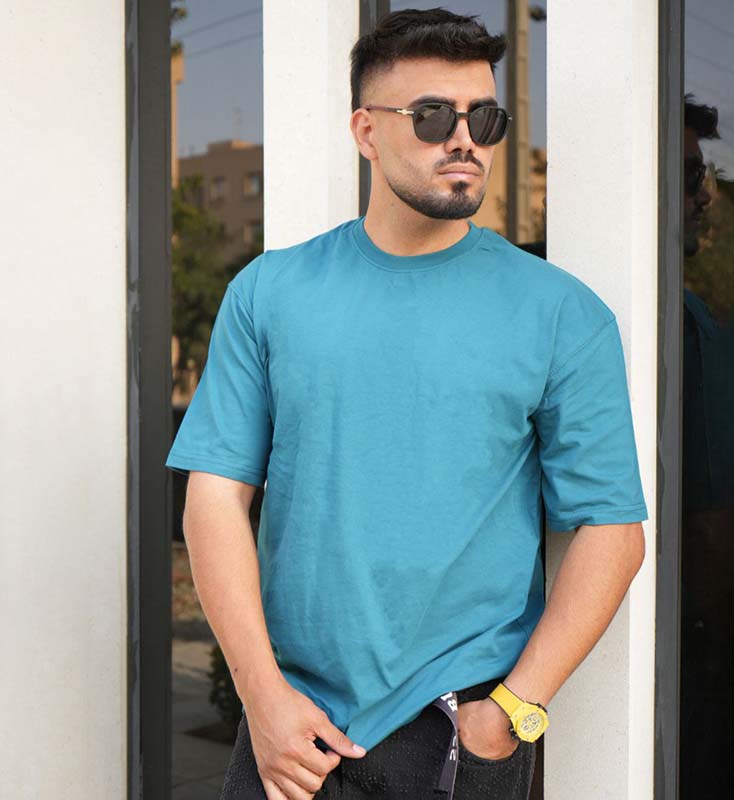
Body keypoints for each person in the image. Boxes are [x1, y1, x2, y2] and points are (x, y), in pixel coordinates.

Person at [166, 9, 648, 800]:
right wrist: (261, 697)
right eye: (431, 116)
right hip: (291, 725)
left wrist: (510, 714)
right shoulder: (270, 292)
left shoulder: (559, 312)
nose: (464, 139)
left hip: (461, 731)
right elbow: (214, 497)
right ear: (366, 130)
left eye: (483, 119)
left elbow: (611, 531)